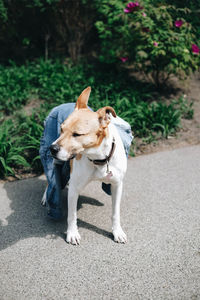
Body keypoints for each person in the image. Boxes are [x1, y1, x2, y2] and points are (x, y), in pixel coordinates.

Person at [39, 103, 133, 220]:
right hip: (57, 118)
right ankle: (51, 187)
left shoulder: (117, 154)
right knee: (54, 163)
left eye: (76, 134)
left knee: (116, 179)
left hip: (104, 152)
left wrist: (116, 224)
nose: (55, 145)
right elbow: (74, 188)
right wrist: (71, 227)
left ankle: (115, 220)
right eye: (63, 130)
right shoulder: (69, 118)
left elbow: (118, 184)